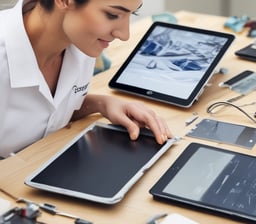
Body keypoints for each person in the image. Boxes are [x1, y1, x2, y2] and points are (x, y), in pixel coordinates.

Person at [0, 0, 173, 158]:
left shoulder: (82, 42)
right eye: (112, 15)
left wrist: (103, 104)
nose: (124, 34)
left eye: (132, 14)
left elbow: (42, 113)